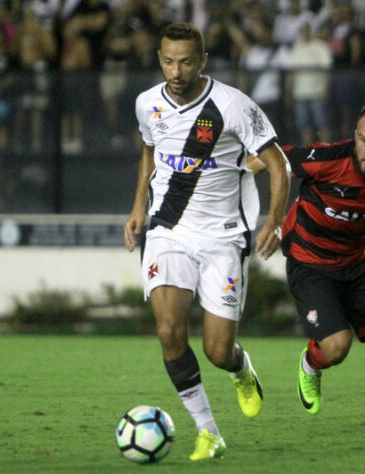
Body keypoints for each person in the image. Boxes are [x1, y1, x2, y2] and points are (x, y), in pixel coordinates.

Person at [123, 23, 289, 461]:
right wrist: (139, 206)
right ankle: (207, 431)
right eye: (167, 61)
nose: (176, 71)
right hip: (167, 231)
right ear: (159, 58)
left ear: (202, 61)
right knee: (169, 331)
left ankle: (242, 368)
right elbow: (148, 150)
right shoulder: (146, 103)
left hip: (223, 239)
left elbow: (278, 164)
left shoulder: (232, 106)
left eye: (185, 62)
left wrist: (274, 219)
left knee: (218, 351)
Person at [249, 97, 365, 443]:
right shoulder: (327, 158)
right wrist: (265, 215)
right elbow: (271, 162)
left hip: (361, 261)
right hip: (309, 260)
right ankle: (310, 365)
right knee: (336, 347)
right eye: (364, 139)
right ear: (354, 135)